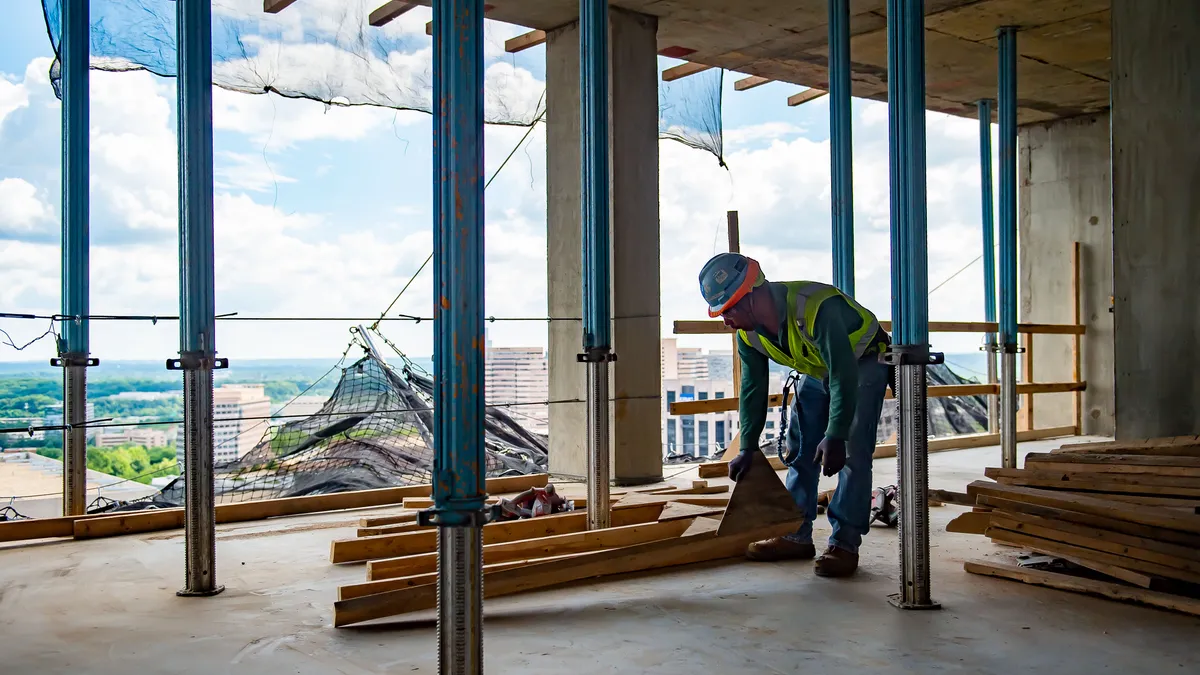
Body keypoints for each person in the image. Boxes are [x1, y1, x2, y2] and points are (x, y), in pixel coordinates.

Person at [699, 253, 891, 577]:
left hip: (862, 361)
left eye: (729, 307)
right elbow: (752, 388)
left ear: (753, 295)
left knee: (852, 454)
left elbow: (843, 373)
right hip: (817, 369)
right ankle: (795, 534)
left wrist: (836, 434)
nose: (725, 319)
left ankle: (844, 545)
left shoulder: (816, 308)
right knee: (800, 450)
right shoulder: (749, 334)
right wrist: (748, 446)